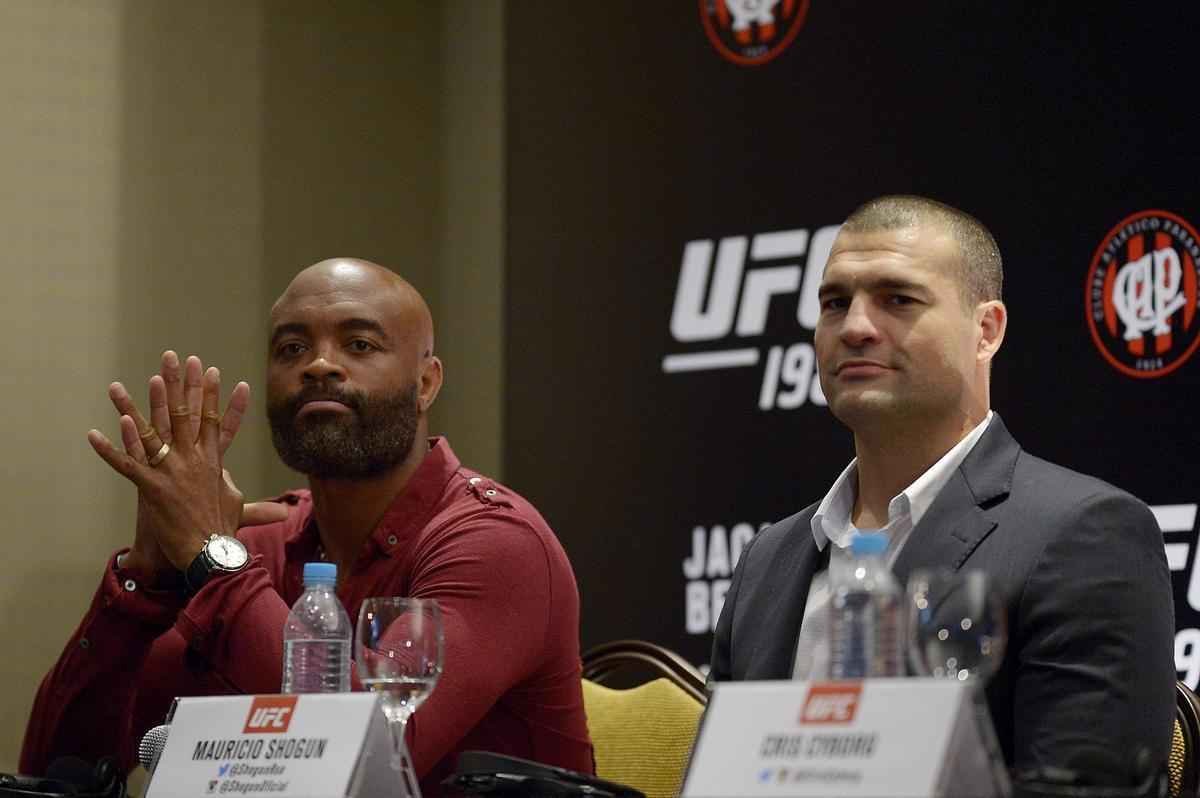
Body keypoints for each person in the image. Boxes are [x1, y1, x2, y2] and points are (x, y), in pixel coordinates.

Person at [21, 258, 594, 795]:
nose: (318, 364)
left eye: (359, 343)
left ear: (425, 384)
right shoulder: (264, 544)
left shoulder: (495, 544)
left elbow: (364, 753)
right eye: (292, 348)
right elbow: (58, 773)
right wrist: (144, 584)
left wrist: (209, 552)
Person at [709, 195, 1175, 785]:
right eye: (834, 302)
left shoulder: (1086, 536)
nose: (854, 326)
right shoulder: (766, 561)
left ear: (987, 330)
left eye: (897, 300)